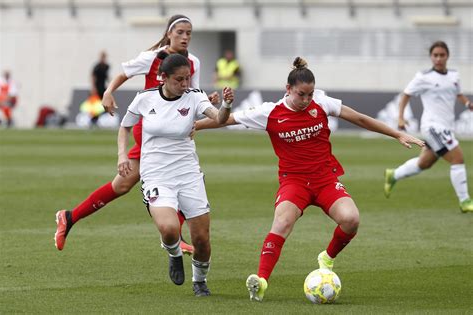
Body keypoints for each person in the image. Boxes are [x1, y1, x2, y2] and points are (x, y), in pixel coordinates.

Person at [195, 57, 424, 302]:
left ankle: (327, 258)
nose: (306, 100)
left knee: (351, 220)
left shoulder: (321, 102)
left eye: (310, 94)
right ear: (288, 89)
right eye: (301, 94)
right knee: (282, 223)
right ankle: (261, 282)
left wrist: (396, 134)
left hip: (325, 179)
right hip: (293, 182)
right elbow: (226, 119)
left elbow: (358, 118)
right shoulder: (269, 112)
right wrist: (193, 125)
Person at [55, 15, 219, 253]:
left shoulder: (193, 61)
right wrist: (108, 92)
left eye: (189, 33)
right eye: (180, 32)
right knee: (172, 176)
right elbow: (124, 73)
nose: (185, 37)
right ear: (169, 33)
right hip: (152, 129)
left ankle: (69, 217)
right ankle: (174, 235)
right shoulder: (152, 57)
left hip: (178, 129)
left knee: (122, 185)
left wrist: (207, 101)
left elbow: (192, 92)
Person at [118, 52, 233, 296]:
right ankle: (174, 253)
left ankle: (199, 281)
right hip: (156, 175)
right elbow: (125, 126)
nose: (184, 84)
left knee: (201, 239)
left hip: (188, 174)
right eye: (179, 80)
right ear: (163, 78)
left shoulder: (194, 97)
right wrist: (122, 156)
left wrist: (225, 105)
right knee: (169, 229)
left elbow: (219, 118)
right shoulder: (145, 99)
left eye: (187, 79)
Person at [384, 41, 473, 213]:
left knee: (424, 163)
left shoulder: (454, 75)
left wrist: (468, 103)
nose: (438, 58)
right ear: (431, 57)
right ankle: (465, 201)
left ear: (448, 56)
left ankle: (393, 175)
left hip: (446, 127)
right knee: (457, 158)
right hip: (432, 127)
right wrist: (401, 117)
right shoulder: (423, 77)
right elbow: (406, 95)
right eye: (435, 55)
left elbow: (458, 93)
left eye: (442, 55)